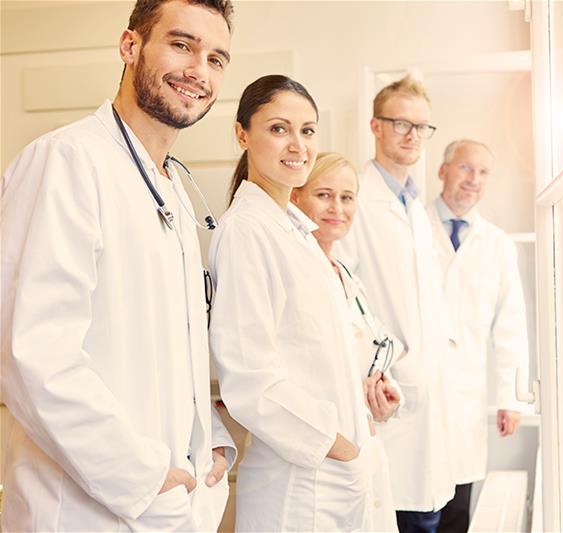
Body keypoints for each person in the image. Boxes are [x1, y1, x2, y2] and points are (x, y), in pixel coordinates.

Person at [0, 0, 236, 531]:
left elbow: (173, 342)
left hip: (177, 496)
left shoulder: (172, 187)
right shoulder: (64, 161)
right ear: (130, 47)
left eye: (217, 58)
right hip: (89, 507)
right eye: (182, 45)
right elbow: (32, 352)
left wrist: (212, 441)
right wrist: (141, 475)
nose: (199, 70)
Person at [208, 76, 372, 532]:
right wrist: (337, 444)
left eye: (308, 130)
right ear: (243, 135)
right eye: (279, 129)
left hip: (331, 478)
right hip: (300, 487)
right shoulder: (247, 232)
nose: (298, 144)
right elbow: (250, 378)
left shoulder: (293, 231)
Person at [336, 75, 456, 533]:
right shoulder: (356, 199)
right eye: (400, 123)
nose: (412, 135)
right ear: (375, 126)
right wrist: (385, 364)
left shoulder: (414, 207)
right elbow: (342, 295)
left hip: (426, 397)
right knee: (397, 515)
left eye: (422, 127)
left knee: (427, 512)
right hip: (386, 393)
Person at [291, 152, 406, 532]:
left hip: (362, 450)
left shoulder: (345, 276)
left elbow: (364, 354)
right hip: (321, 460)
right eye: (323, 195)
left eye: (347, 197)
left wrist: (382, 399)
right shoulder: (293, 268)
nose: (337, 208)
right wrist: (345, 438)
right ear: (295, 197)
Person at [428, 140, 530, 533]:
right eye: (465, 168)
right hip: (414, 391)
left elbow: (510, 323)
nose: (473, 179)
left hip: (466, 395)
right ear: (443, 171)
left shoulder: (498, 245)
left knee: (456, 509)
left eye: (483, 172)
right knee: (412, 508)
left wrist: (510, 397)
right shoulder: (413, 229)